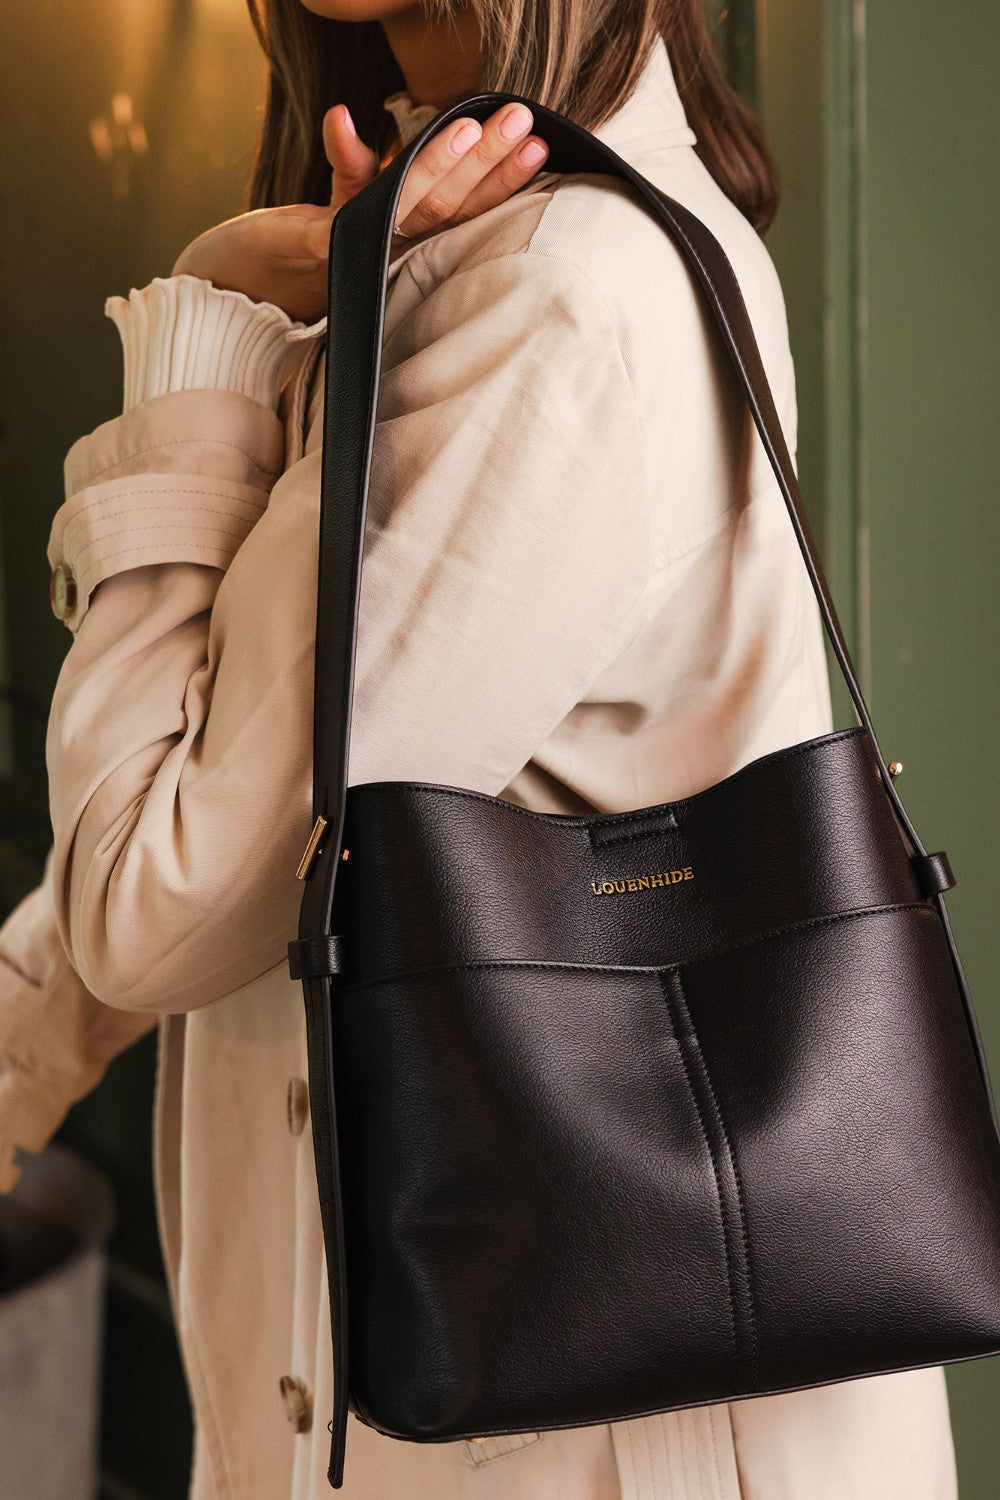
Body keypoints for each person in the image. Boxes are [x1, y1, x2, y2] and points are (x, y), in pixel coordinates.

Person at [0, 1, 959, 1496]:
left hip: (574, 1441)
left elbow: (155, 891)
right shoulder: (478, 248)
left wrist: (200, 337)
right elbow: (265, 789)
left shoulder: (561, 297)